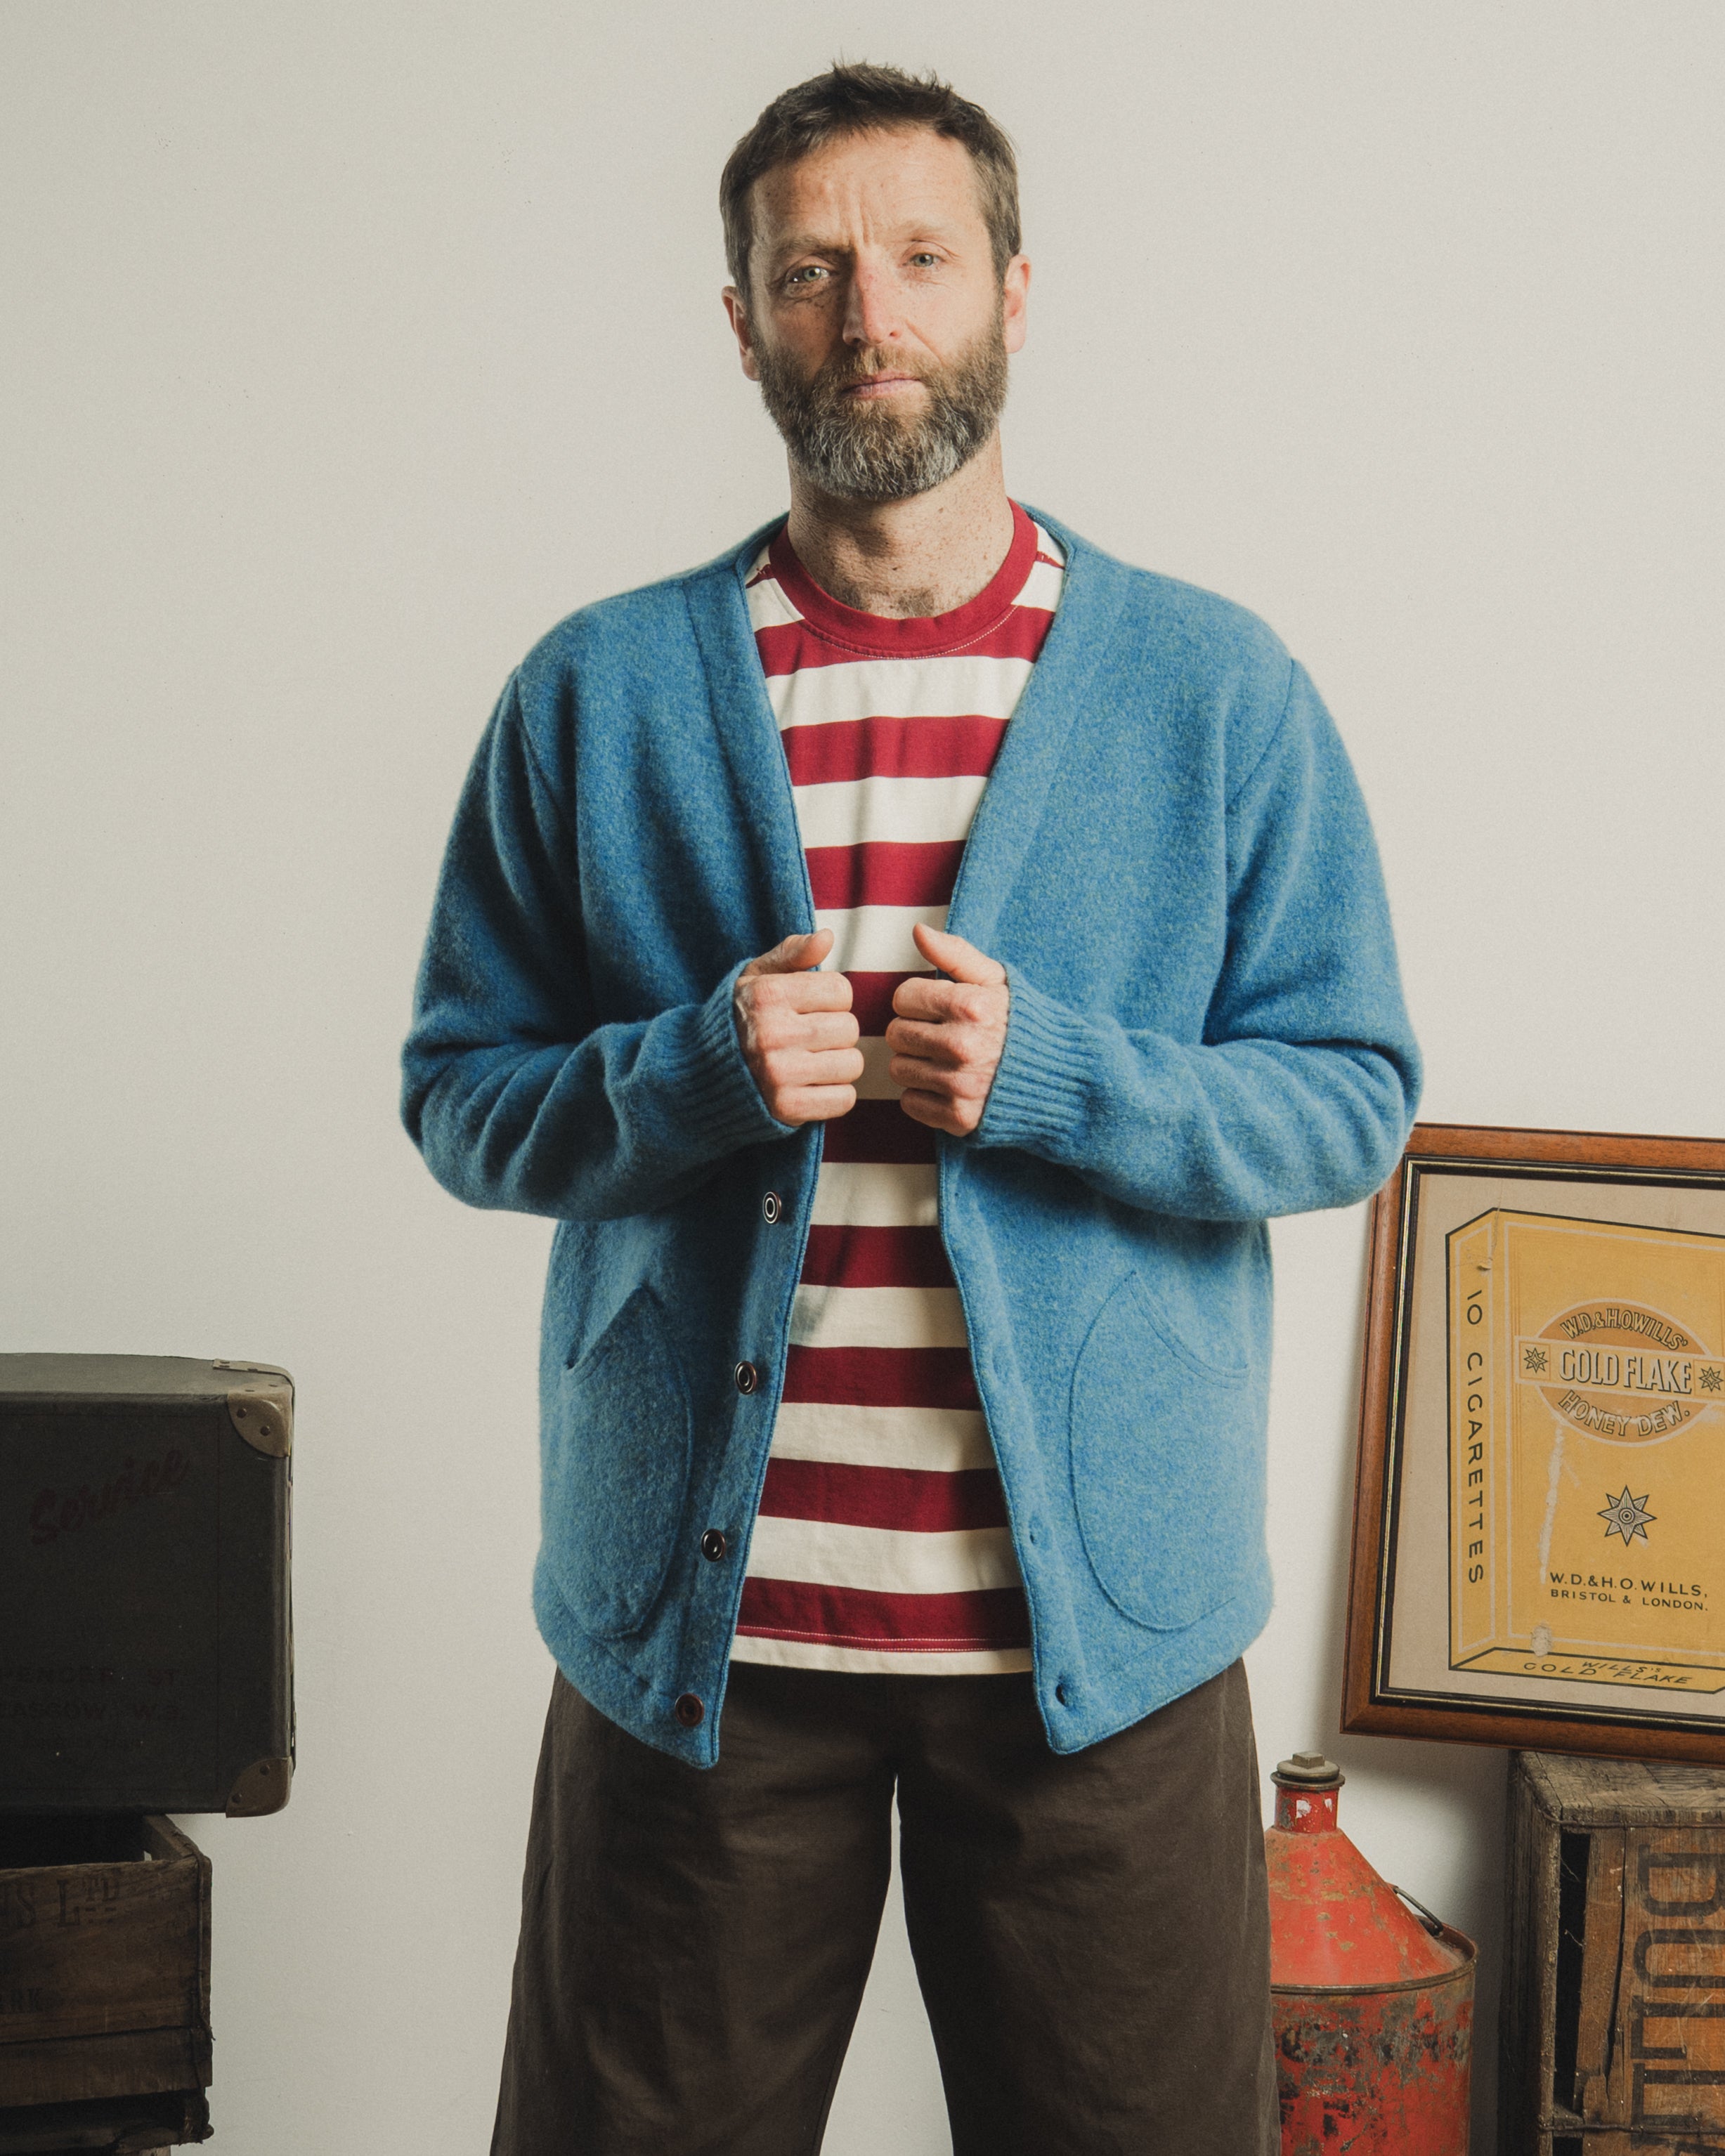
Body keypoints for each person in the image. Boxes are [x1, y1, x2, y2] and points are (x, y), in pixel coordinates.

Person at [402, 60, 1421, 2156]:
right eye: (811, 270)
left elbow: (1352, 1100)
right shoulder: (596, 693)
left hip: (1100, 1654)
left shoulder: (1214, 691)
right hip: (700, 1648)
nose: (869, 310)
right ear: (744, 321)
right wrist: (685, 1071)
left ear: (1017, 294)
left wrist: (1064, 1080)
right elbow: (462, 1097)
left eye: (922, 259)